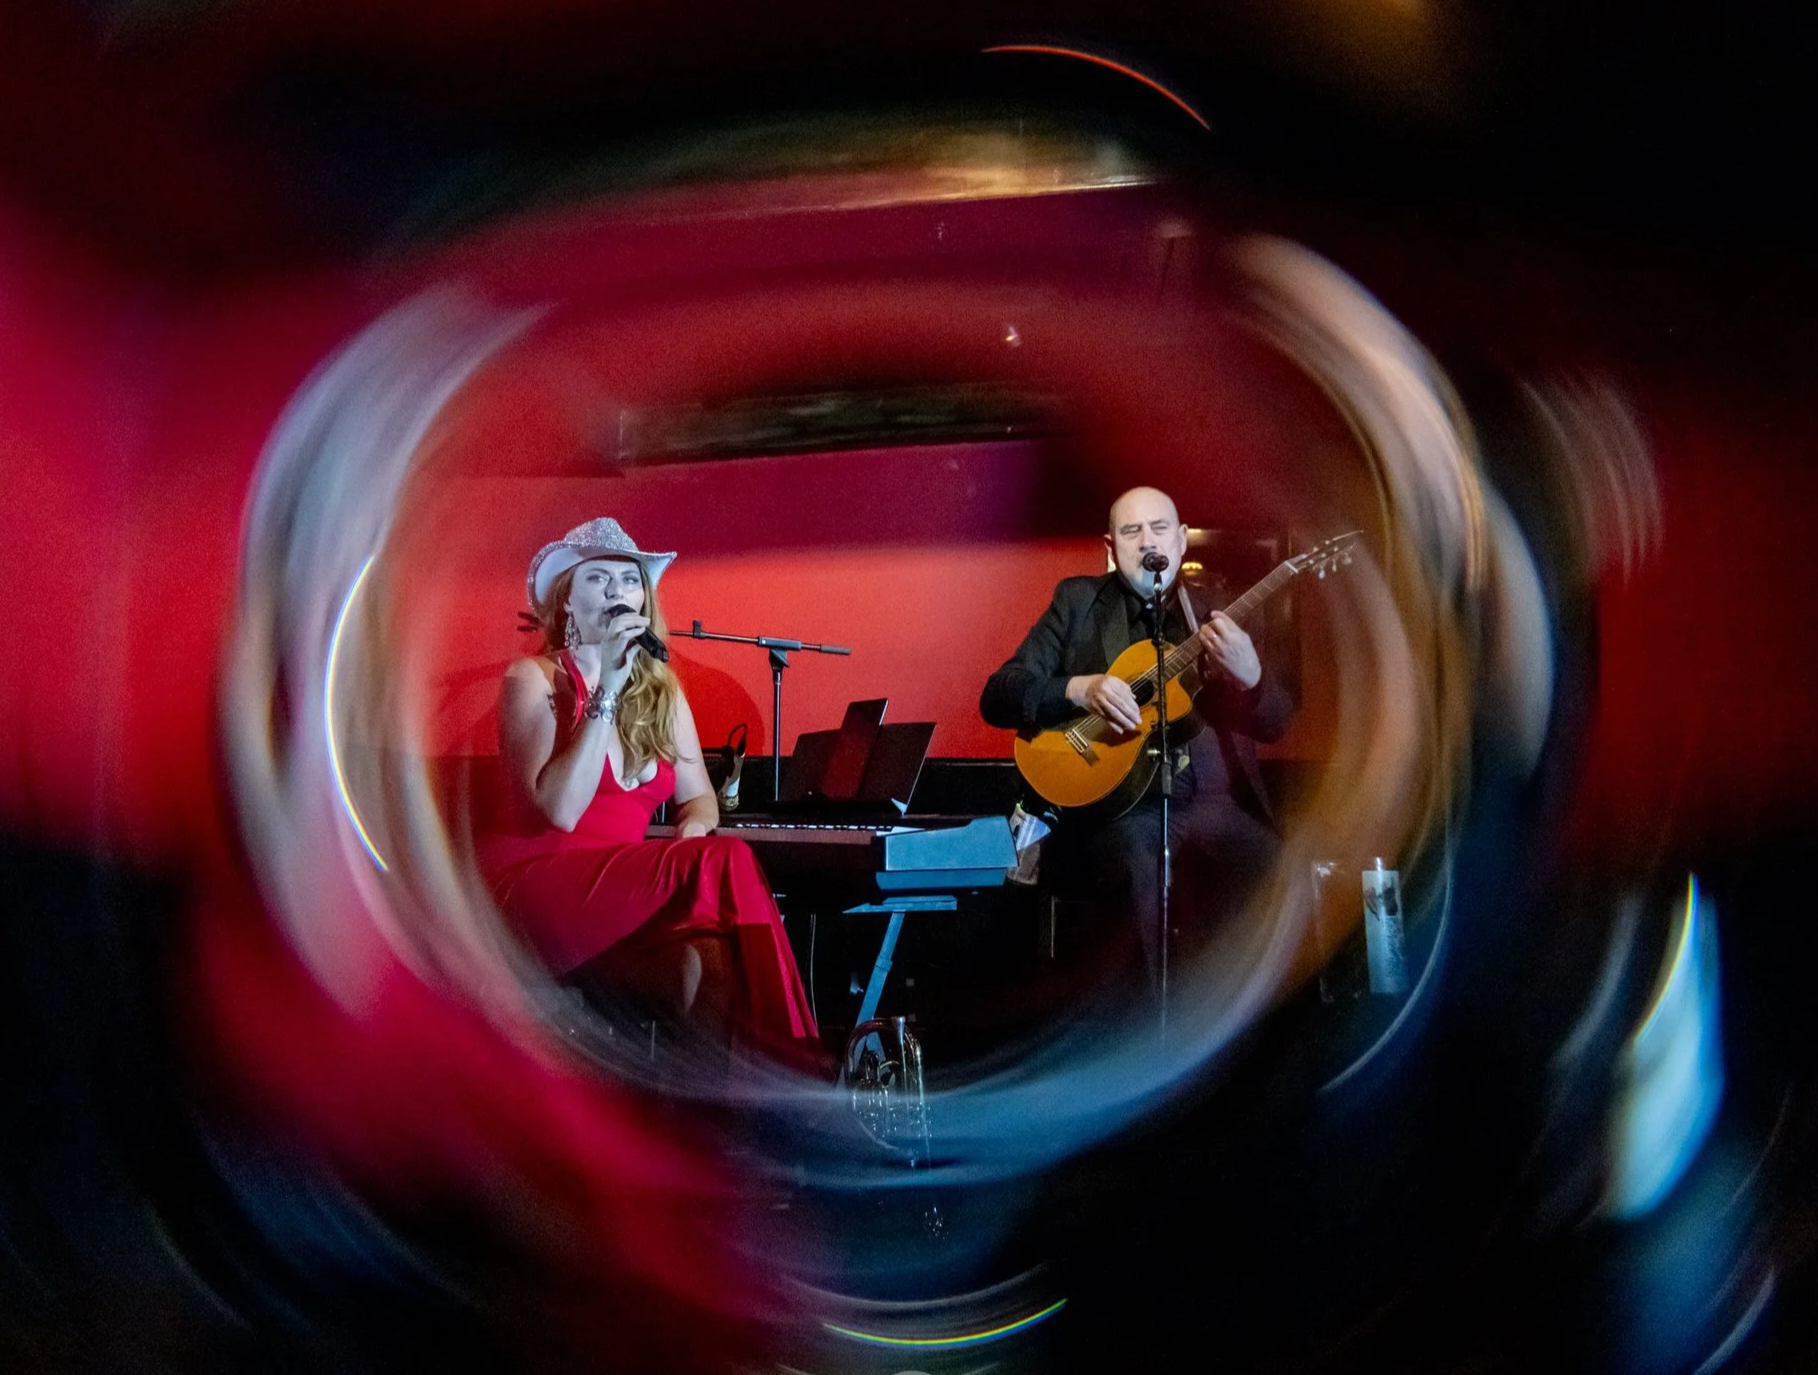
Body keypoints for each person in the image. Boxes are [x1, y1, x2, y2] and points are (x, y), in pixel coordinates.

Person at [478, 517, 824, 1075]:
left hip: (625, 894)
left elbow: (700, 802)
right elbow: (560, 810)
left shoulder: (663, 693)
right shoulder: (534, 679)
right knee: (729, 860)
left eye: (630, 579)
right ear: (567, 601)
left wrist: (690, 838)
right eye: (598, 579)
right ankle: (802, 1080)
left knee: (702, 962)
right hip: (538, 886)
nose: (618, 591)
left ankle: (708, 1132)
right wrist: (607, 687)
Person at [980, 487, 1292, 998]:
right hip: (1117, 813)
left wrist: (1252, 678)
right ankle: (1143, 1036)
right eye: (1131, 531)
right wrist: (1078, 688)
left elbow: (1277, 722)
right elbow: (999, 694)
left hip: (1213, 802)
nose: (1148, 540)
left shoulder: (1226, 614)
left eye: (1159, 528)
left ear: (1182, 539)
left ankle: (1247, 1026)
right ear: (1111, 545)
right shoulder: (1076, 602)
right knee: (1131, 866)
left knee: (1279, 872)